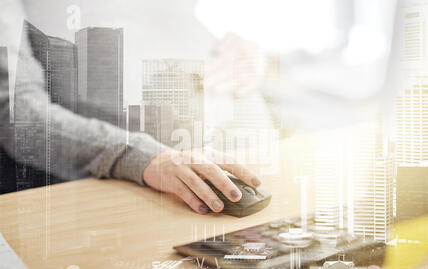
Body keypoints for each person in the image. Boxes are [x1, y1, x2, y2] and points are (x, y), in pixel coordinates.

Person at [0, 0, 262, 214]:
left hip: (241, 157)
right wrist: (142, 157)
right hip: (134, 190)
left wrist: (251, 57)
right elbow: (17, 114)